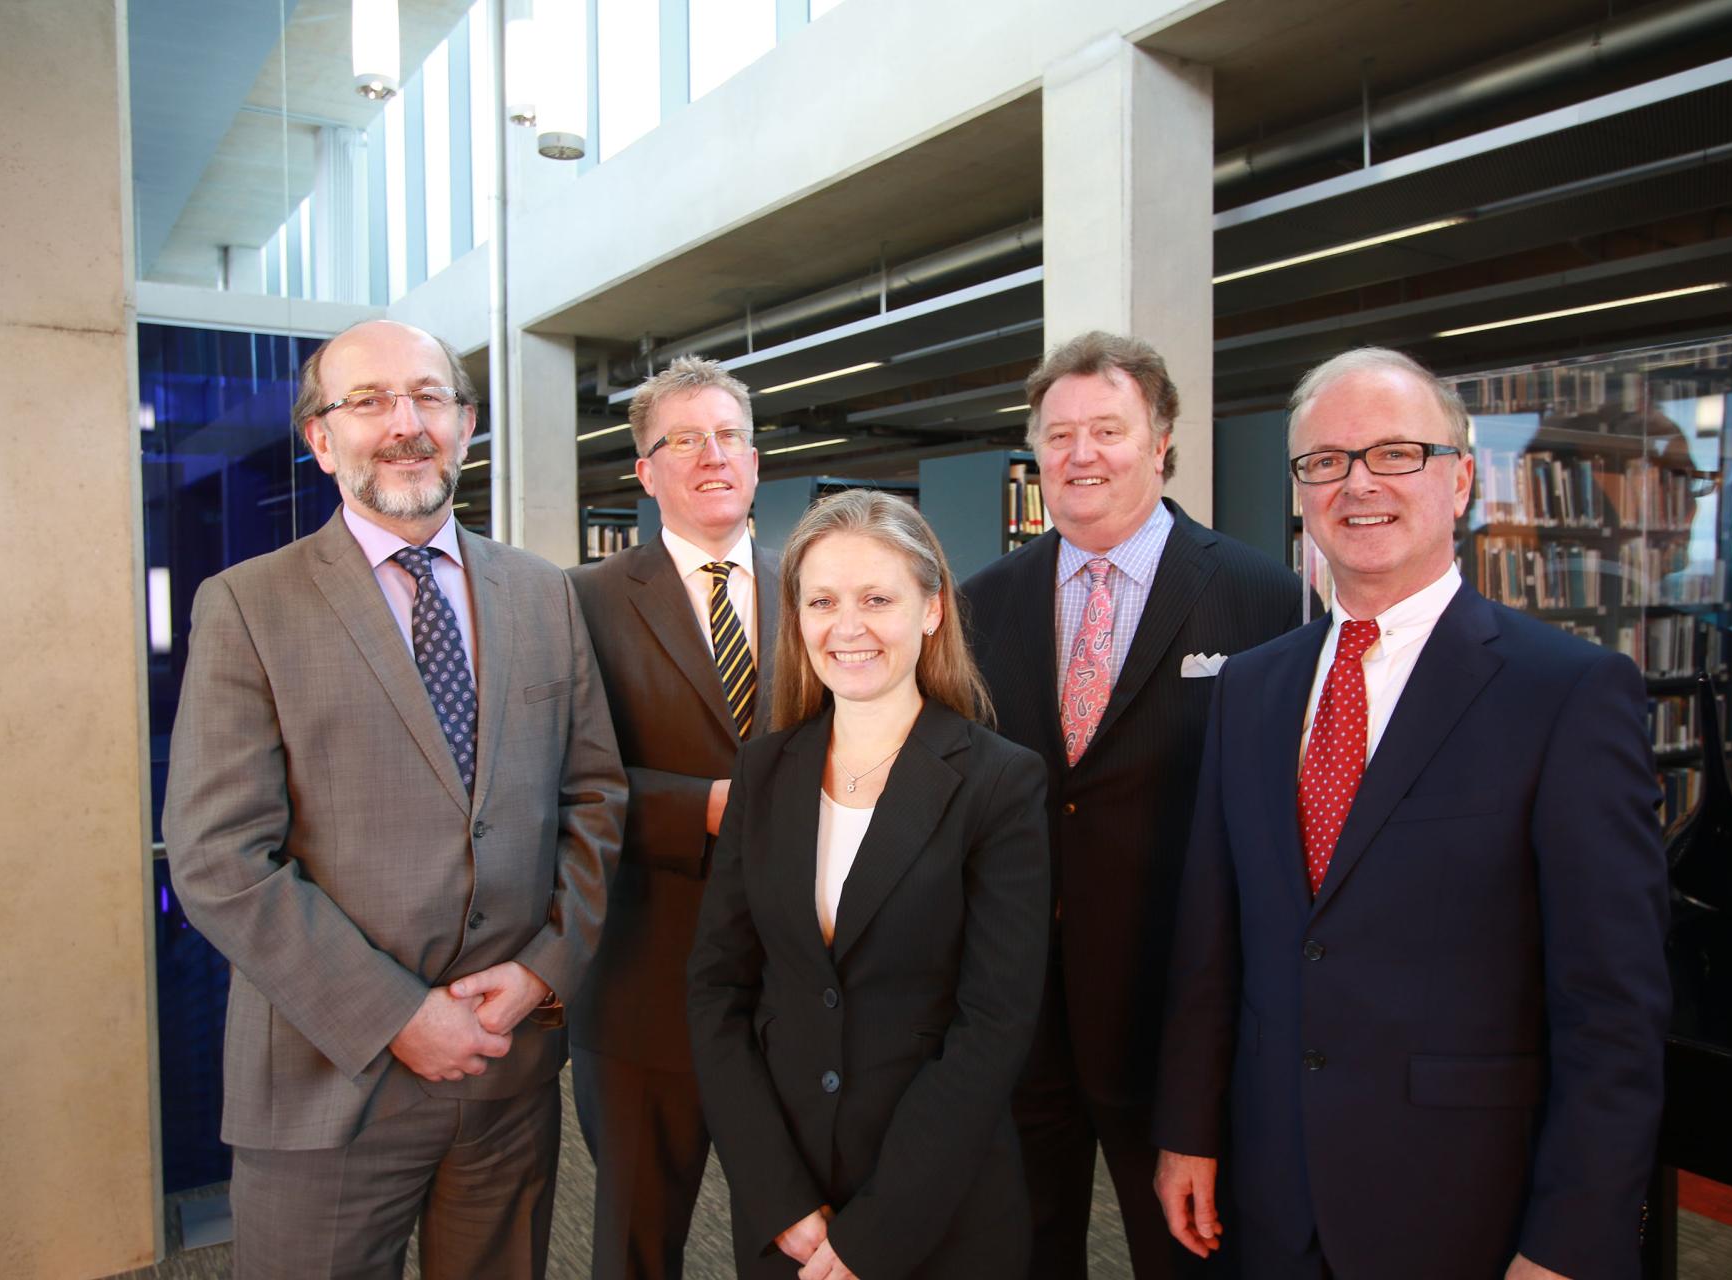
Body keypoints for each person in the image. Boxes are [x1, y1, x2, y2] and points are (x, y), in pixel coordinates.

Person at [1153, 347, 1669, 1280]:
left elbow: (1613, 1008)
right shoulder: (1255, 686)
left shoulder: (1569, 692)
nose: (1358, 485)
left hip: (1466, 1207)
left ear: (1461, 478)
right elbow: (1212, 936)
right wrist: (1189, 1129)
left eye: (1396, 453)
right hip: (1272, 1195)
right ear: (1301, 490)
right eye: (1326, 462)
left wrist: (1569, 1241)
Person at [164, 319, 625, 1277]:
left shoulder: (544, 595)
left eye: (428, 397)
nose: (403, 423)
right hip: (330, 1076)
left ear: (464, 425)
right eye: (368, 400)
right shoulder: (250, 605)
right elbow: (218, 857)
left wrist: (545, 969)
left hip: (508, 1065)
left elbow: (594, 800)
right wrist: (399, 1016)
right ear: (320, 438)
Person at [961, 330, 1305, 1276]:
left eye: (1107, 429)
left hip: (1175, 1011)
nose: (1081, 454)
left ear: (1161, 442)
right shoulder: (980, 604)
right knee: (1024, 1249)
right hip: (1018, 1007)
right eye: (1059, 433)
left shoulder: (1260, 596)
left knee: (1184, 1254)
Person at [688, 489, 1051, 1279]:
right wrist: (774, 1195)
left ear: (931, 610)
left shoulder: (999, 783)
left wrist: (873, 1236)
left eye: (877, 599)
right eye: (821, 601)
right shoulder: (765, 770)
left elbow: (993, 1026)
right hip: (789, 1207)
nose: (846, 627)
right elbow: (717, 992)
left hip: (936, 1209)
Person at [568, 356, 781, 1279]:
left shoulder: (814, 588)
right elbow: (562, 780)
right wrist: (705, 808)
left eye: (728, 435)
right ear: (646, 472)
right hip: (644, 990)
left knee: (791, 1240)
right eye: (683, 440)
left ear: (756, 458)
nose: (712, 456)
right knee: (635, 1243)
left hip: (793, 993)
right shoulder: (582, 602)